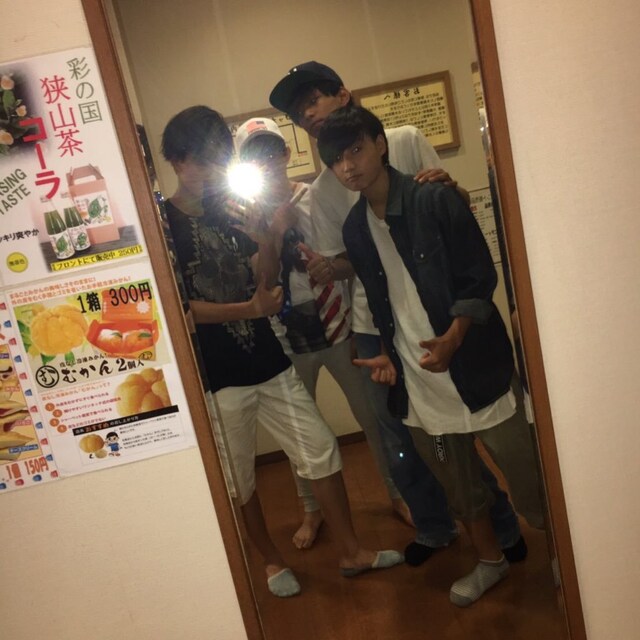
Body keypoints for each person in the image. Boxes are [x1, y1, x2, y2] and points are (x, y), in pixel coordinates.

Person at [269, 61, 527, 565]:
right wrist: (327, 269)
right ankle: (434, 526)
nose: (310, 116)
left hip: (444, 312)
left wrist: (450, 187)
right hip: (375, 325)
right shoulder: (322, 192)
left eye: (314, 101)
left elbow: (453, 208)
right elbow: (348, 262)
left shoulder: (403, 140)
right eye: (300, 115)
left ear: (344, 94)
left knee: (471, 424)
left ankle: (503, 525)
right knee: (403, 437)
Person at [160, 105, 403, 598]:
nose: (214, 170)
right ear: (178, 161)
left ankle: (351, 551)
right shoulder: (162, 223)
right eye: (205, 161)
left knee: (320, 447)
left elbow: (265, 281)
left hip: (268, 358)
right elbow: (175, 311)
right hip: (215, 373)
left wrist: (267, 237)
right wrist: (249, 308)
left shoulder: (228, 209)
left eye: (221, 159)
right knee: (238, 477)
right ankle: (270, 561)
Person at [317, 105, 545, 606]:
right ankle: (490, 561)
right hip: (420, 384)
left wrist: (454, 336)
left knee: (527, 474)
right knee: (458, 483)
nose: (348, 166)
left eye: (355, 150)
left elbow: (479, 278)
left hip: (476, 369)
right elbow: (381, 300)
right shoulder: (356, 228)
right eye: (336, 159)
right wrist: (385, 355)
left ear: (380, 144)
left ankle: (567, 553)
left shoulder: (433, 198)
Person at [234, 116, 412, 549]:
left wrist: (330, 267)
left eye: (271, 150)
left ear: (286, 153)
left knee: (373, 418)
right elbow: (262, 284)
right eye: (255, 155)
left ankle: (397, 492)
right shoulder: (245, 216)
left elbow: (354, 259)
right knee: (300, 434)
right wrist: (273, 235)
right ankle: (311, 509)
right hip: (286, 339)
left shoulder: (317, 196)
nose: (267, 161)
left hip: (338, 326)